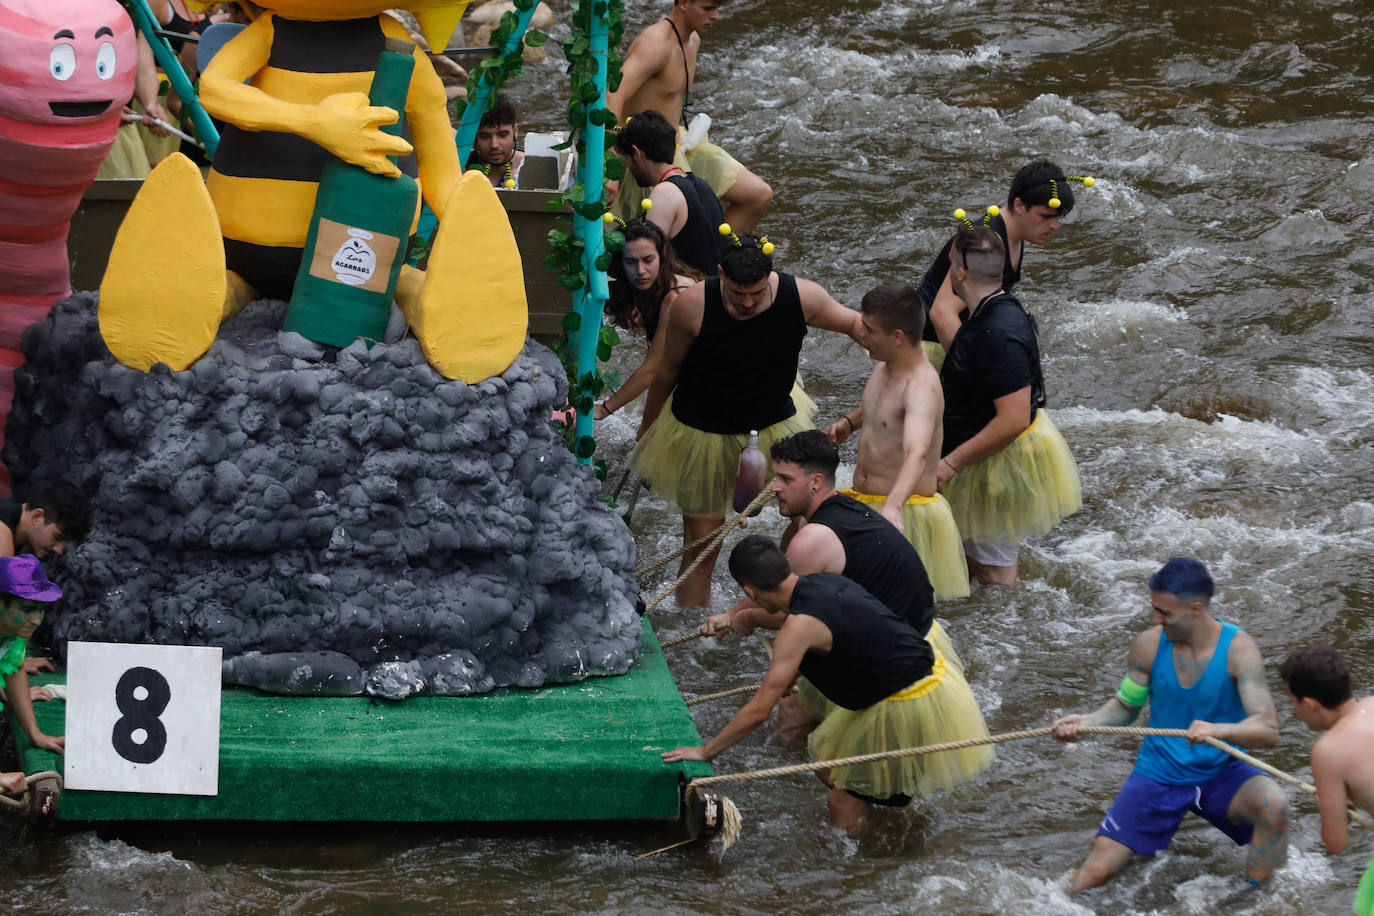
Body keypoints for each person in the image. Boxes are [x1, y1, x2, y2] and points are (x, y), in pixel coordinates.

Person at [664, 536, 993, 834]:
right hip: (931, 678)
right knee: (830, 768)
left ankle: (873, 867)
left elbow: (759, 711)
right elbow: (793, 618)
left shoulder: (799, 626)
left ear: (749, 591)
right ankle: (899, 826)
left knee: (841, 803)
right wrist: (746, 618)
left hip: (907, 702)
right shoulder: (821, 583)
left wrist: (705, 751)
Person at [630, 233, 861, 607]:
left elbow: (860, 327)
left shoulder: (802, 296)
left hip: (775, 425)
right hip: (700, 430)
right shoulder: (692, 304)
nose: (749, 302)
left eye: (757, 292)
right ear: (720, 274)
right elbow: (666, 372)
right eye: (738, 294)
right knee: (704, 546)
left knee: (810, 520)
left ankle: (789, 601)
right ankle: (692, 635)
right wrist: (648, 426)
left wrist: (899, 370)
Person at [700, 430, 963, 745]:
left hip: (893, 658)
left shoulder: (811, 540)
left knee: (806, 732)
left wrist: (744, 619)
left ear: (815, 482)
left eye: (785, 479)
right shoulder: (830, 511)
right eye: (775, 477)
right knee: (795, 716)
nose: (774, 488)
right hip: (898, 633)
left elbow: (793, 614)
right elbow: (780, 586)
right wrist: (731, 613)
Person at [1051, 558, 1288, 891]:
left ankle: (1255, 898)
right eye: (1155, 610)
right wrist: (1087, 723)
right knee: (1095, 875)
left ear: (1196, 609)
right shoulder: (1147, 645)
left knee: (1274, 805)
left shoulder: (1239, 650)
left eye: (1164, 613)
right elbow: (1125, 706)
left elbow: (1268, 730)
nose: (1155, 619)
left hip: (1221, 772)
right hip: (1159, 772)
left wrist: (1219, 730)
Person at [936, 227, 1080, 585]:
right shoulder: (987, 314)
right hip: (981, 458)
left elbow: (1013, 418)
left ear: (960, 273)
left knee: (996, 575)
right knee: (971, 560)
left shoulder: (999, 331)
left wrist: (950, 462)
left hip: (996, 467)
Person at [822, 284, 969, 601]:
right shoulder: (885, 363)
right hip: (868, 504)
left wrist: (891, 509)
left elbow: (916, 454)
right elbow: (885, 408)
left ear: (898, 336)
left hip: (904, 515)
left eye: (869, 329)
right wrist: (850, 423)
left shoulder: (921, 388)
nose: (861, 333)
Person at [606, 0, 772, 232]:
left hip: (678, 144)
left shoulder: (693, 40)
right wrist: (607, 167)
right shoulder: (655, 43)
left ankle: (717, 264)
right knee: (684, 228)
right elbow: (612, 96)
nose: (715, 16)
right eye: (707, 8)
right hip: (645, 155)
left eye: (717, 8)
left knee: (757, 195)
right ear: (683, 3)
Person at [917, 160, 1082, 367]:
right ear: (1019, 205)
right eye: (1045, 216)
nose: (1055, 226)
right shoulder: (984, 244)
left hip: (955, 340)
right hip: (929, 348)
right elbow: (942, 313)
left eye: (1058, 218)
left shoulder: (1016, 233)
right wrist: (975, 377)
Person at [1279, 646, 1374, 914]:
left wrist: (1328, 805)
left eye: (1292, 701)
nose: (1294, 710)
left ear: (1309, 703)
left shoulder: (1328, 750)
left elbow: (1336, 843)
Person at [595, 220, 702, 421]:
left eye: (648, 260)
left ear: (662, 258)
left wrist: (604, 409)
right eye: (631, 262)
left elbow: (652, 369)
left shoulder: (677, 295)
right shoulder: (662, 285)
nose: (640, 270)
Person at [613, 110, 724, 278]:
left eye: (627, 158)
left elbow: (648, 263)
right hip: (714, 292)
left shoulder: (665, 193)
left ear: (636, 153)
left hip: (691, 297)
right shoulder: (702, 185)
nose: (628, 165)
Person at [0, 480, 92, 681]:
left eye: (65, 543)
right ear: (37, 516)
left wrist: (16, 661)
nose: (59, 550)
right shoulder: (2, 538)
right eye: (57, 537)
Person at [0, 555, 66, 799]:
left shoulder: (14, 632)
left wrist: (35, 735)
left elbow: (14, 668)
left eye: (41, 610)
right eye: (28, 609)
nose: (36, 620)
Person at [466, 95, 523, 190]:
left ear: (515, 131)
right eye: (485, 136)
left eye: (502, 135)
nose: (494, 145)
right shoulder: (461, 165)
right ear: (473, 136)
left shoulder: (529, 167)